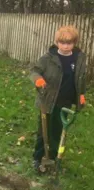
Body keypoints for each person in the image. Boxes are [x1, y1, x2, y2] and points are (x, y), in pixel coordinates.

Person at [29, 25, 87, 172]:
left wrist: (81, 94)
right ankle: (38, 158)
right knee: (44, 131)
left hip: (65, 101)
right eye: (62, 42)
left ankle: (53, 158)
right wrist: (38, 80)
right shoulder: (48, 58)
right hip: (48, 99)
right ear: (57, 42)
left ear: (74, 43)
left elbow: (80, 78)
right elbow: (34, 71)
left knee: (58, 131)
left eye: (69, 43)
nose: (65, 46)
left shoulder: (78, 58)